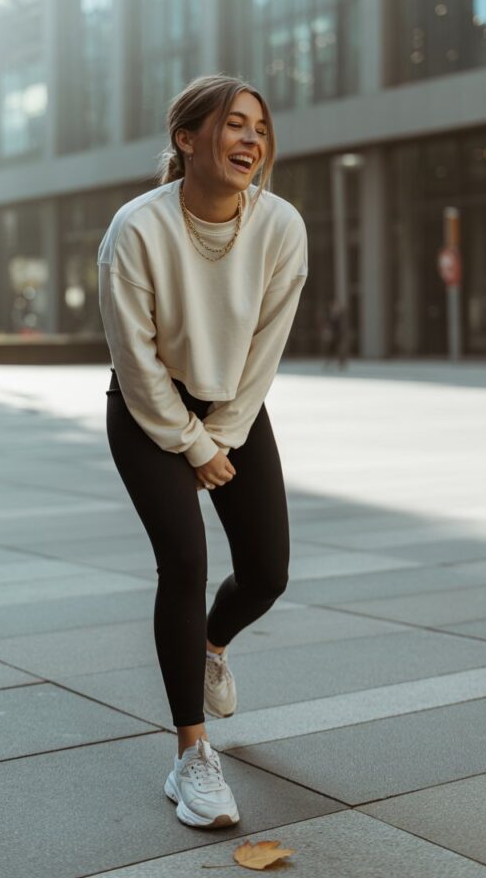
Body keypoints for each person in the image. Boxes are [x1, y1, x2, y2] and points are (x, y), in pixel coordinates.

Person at [98, 74, 308, 829]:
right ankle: (192, 756)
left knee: (267, 572)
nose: (251, 138)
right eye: (233, 125)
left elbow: (263, 352)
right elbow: (136, 359)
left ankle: (212, 645)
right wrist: (187, 444)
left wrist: (218, 439)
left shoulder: (281, 227)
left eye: (259, 127)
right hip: (148, 407)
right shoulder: (137, 228)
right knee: (185, 562)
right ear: (187, 139)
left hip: (234, 406)